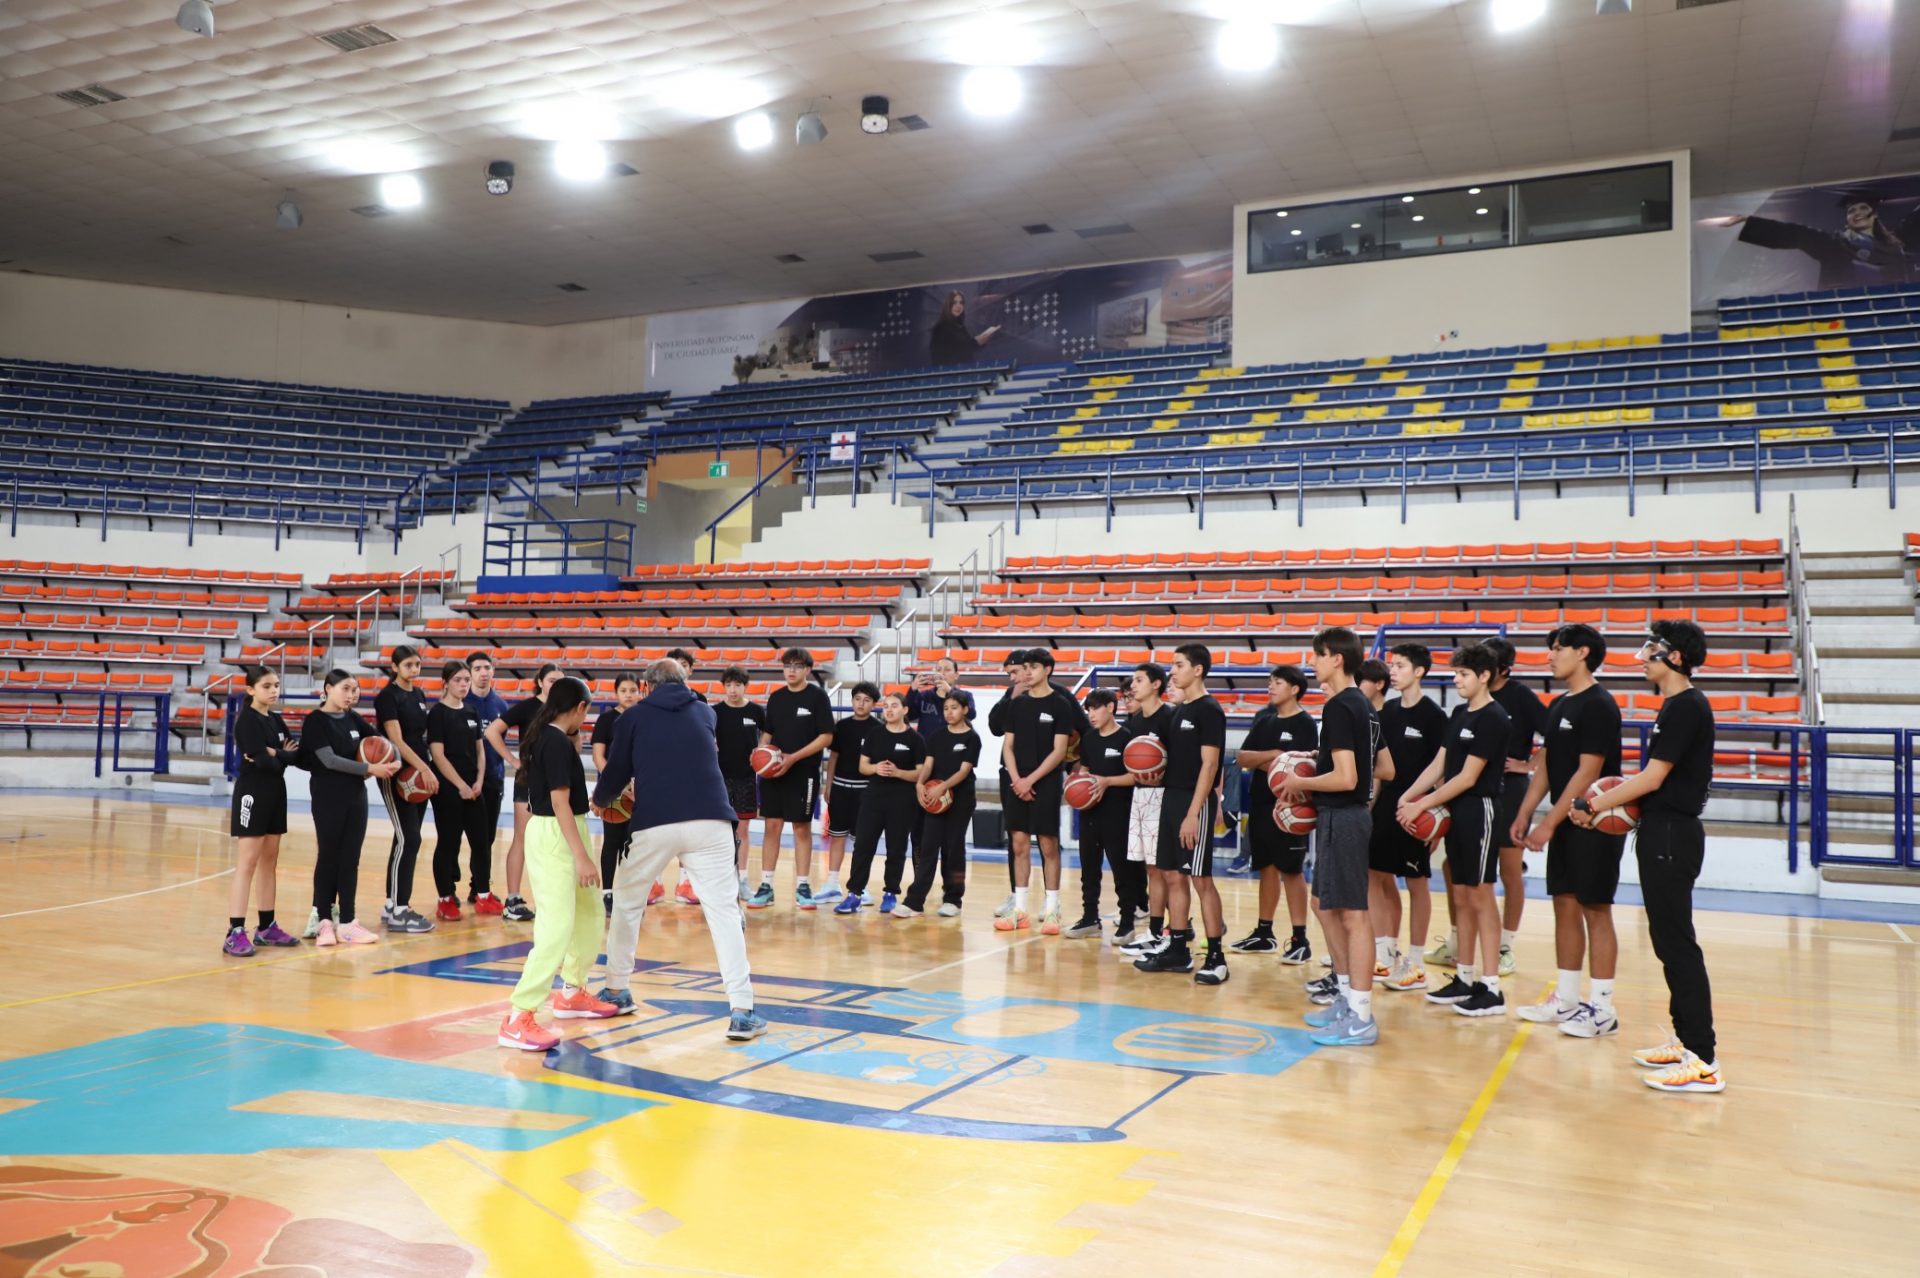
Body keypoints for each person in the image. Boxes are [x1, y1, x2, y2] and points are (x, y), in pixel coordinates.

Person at [1573, 620, 1724, 1095]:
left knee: (1677, 943)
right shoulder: (1675, 706)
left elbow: (1653, 778)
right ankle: (1687, 1042)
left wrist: (1593, 804)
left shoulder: (1687, 706)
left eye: (1652, 649)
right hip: (1663, 832)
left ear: (1675, 657)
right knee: (1667, 941)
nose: (1642, 658)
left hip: (1673, 835)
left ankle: (1704, 1060)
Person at [591, 660, 766, 1041]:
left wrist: (601, 800)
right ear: (685, 682)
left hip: (655, 820)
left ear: (646, 686)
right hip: (711, 821)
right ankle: (742, 1010)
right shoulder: (705, 712)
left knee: (627, 904)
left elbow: (616, 770)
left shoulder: (632, 717)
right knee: (724, 914)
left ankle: (617, 989)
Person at [1279, 627, 1391, 1047]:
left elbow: (1346, 778)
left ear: (1337, 659)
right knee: (1324, 906)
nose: (1313, 663)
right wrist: (1320, 758)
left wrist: (1302, 782)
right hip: (1344, 816)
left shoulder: (1341, 706)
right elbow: (1386, 768)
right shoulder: (1362, 705)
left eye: (1318, 655)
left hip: (1343, 817)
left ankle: (1360, 1016)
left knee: (1353, 915)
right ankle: (1347, 998)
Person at [1516, 624, 1626, 1038]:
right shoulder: (1559, 704)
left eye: (1558, 649)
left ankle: (1603, 1009)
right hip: (1565, 820)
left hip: (1594, 821)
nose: (1550, 656)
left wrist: (1548, 823)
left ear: (1582, 653)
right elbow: (1546, 765)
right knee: (1563, 904)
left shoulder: (1599, 705)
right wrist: (1525, 812)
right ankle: (1566, 999)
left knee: (1595, 909)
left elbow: (1588, 771)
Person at [498, 678, 619, 1050]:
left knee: (589, 914)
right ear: (580, 707)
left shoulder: (555, 738)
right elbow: (558, 802)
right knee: (556, 927)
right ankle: (518, 1016)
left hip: (569, 827)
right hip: (554, 834)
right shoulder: (552, 741)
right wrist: (582, 856)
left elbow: (569, 799)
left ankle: (571, 992)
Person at [1398, 643, 1512, 1020]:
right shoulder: (1461, 713)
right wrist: (1407, 797)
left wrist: (1421, 806)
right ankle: (1464, 978)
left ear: (1484, 676)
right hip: (1456, 810)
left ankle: (1491, 987)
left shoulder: (1494, 717)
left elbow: (1467, 777)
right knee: (1461, 895)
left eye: (1463, 674)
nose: (1456, 680)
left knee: (1481, 896)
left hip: (1480, 809)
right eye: (1455, 673)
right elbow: (1439, 764)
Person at [1134, 644, 1229, 984]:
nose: (1172, 671)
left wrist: (1193, 813)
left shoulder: (1209, 710)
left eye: (1178, 665)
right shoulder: (1177, 712)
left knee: (1201, 879)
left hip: (1193, 803)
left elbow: (1210, 765)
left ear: (1198, 669)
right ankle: (1177, 949)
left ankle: (1216, 957)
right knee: (1172, 875)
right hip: (1170, 798)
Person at [1370, 643, 1447, 992]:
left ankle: (1416, 964)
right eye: (1392, 665)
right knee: (1377, 877)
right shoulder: (1386, 711)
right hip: (1386, 806)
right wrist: (1370, 807)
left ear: (1419, 671)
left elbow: (1441, 772)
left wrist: (1438, 823)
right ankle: (1386, 955)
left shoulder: (1434, 716)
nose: (1393, 671)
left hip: (1418, 811)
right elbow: (1378, 766)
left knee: (1417, 883)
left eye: (1400, 665)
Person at [299, 668, 397, 946]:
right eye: (345, 688)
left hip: (356, 795)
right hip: (327, 795)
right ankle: (323, 923)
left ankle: (348, 923)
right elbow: (329, 760)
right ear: (328, 688)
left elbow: (382, 743)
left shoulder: (354, 718)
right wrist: (370, 768)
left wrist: (393, 759)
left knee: (350, 859)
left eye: (355, 690)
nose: (351, 694)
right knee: (328, 856)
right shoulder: (315, 721)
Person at [1229, 665, 1316, 959]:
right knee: (1265, 867)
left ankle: (1300, 939)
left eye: (1277, 682)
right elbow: (1243, 757)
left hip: (1291, 807)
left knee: (1292, 871)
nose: (1271, 686)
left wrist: (1270, 763)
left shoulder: (1305, 724)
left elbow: (1303, 768)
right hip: (1262, 804)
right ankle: (1264, 933)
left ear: (1294, 689)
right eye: (1270, 682)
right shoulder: (1264, 720)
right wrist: (1276, 756)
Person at [993, 650, 1072, 932]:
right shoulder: (1017, 704)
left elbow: (1059, 751)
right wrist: (1017, 779)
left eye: (1033, 667)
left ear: (1047, 670)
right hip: (1018, 780)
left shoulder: (1061, 704)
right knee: (1019, 844)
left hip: (1046, 781)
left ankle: (1052, 910)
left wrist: (1031, 780)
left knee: (1048, 845)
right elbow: (1008, 746)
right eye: (1025, 667)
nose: (1027, 672)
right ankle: (1020, 910)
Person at [1486, 636, 1548, 977]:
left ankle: (1505, 946)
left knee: (1510, 871)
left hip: (1511, 791)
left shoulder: (1520, 696)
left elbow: (1555, 735)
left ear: (1503, 668)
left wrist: (1528, 765)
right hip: (1477, 790)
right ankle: (1458, 940)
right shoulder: (1475, 695)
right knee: (1460, 869)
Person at [226, 667, 299, 956]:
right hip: (252, 792)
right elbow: (269, 762)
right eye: (266, 685)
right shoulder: (247, 721)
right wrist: (279, 755)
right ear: (251, 689)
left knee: (270, 861)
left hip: (275, 793)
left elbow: (296, 755)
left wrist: (273, 753)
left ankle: (266, 927)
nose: (273, 690)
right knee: (248, 863)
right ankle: (234, 931)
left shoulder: (276, 719)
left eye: (276, 685)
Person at [838, 692, 930, 915]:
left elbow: (921, 773)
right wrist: (875, 768)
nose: (889, 710)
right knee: (863, 846)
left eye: (894, 706)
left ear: (905, 710)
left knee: (896, 847)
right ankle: (854, 894)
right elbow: (863, 766)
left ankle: (890, 893)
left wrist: (898, 773)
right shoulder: (875, 734)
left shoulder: (915, 739)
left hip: (902, 799)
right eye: (886, 706)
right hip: (873, 797)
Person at [755, 648, 833, 910]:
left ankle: (803, 885)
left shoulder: (817, 697)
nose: (791, 670)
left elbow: (826, 737)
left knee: (801, 828)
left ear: (808, 670)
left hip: (803, 772)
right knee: (772, 826)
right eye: (787, 665)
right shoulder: (776, 698)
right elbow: (768, 733)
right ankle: (766, 886)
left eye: (798, 666)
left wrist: (793, 758)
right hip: (775, 771)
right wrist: (760, 753)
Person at [485, 662, 563, 923]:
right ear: (540, 682)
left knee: (553, 840)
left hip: (556, 781)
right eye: (552, 680)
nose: (556, 685)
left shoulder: (563, 708)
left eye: (560, 681)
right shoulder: (528, 707)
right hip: (529, 780)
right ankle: (513, 898)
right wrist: (512, 760)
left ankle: (550, 898)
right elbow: (492, 731)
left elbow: (573, 739)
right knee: (522, 838)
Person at [1063, 688, 1141, 941]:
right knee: (1089, 869)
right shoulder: (1089, 738)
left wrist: (1107, 781)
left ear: (1110, 707)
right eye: (1088, 710)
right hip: (1090, 812)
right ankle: (1090, 918)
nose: (1091, 714)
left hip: (1118, 811)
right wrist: (1075, 785)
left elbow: (1136, 776)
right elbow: (1085, 770)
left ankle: (1127, 922)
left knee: (1122, 870)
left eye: (1096, 708)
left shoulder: (1127, 737)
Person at [375, 646, 438, 933]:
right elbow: (397, 740)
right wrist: (424, 768)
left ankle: (391, 904)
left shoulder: (419, 694)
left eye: (417, 665)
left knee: (404, 839)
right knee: (410, 838)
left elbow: (419, 736)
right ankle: (401, 910)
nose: (414, 669)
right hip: (396, 771)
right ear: (394, 667)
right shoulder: (388, 697)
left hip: (418, 773)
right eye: (409, 665)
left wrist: (425, 768)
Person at [902, 690, 982, 918]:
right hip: (935, 800)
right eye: (946, 708)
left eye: (954, 708)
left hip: (961, 799)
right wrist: (920, 783)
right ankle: (914, 901)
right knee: (928, 847)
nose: (949, 712)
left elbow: (964, 771)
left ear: (965, 710)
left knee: (953, 848)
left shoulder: (972, 738)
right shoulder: (937, 736)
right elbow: (928, 765)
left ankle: (953, 899)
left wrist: (943, 786)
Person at [1117, 662, 1176, 955]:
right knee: (1151, 869)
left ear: (1156, 685)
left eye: (1139, 680)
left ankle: (1175, 929)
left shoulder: (1170, 717)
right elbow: (1134, 764)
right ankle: (1155, 930)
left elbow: (1180, 762)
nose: (1133, 686)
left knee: (1167, 870)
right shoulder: (1136, 721)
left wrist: (1161, 775)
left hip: (1165, 798)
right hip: (1140, 797)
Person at [426, 660, 489, 922]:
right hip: (448, 789)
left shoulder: (472, 711)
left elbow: (480, 750)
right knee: (449, 843)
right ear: (446, 683)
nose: (463, 684)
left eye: (466, 680)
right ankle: (445, 899)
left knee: (482, 842)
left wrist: (479, 781)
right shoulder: (437, 714)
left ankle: (483, 895)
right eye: (458, 680)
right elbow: (438, 755)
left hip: (474, 787)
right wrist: (460, 785)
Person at [817, 682, 879, 905]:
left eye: (866, 700)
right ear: (852, 701)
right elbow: (833, 757)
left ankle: (859, 886)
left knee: (861, 842)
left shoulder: (878, 729)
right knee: (837, 837)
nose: (861, 704)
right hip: (841, 788)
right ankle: (832, 884)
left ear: (874, 704)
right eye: (857, 699)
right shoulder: (841, 726)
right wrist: (828, 786)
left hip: (865, 791)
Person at [590, 675, 643, 915]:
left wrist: (638, 783)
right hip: (613, 790)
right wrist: (617, 782)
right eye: (623, 690)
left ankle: (629, 893)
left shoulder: (644, 717)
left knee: (634, 844)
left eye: (633, 690)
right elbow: (598, 756)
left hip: (639, 789)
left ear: (640, 691)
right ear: (616, 693)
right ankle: (608, 893)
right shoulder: (606, 719)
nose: (629, 695)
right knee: (612, 841)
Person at [714, 667, 765, 904]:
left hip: (746, 778)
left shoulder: (756, 711)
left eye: (737, 685)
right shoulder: (715, 712)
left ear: (746, 686)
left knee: (742, 831)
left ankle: (742, 880)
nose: (733, 690)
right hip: (719, 779)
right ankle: (723, 880)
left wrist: (761, 750)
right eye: (729, 685)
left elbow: (768, 735)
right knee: (720, 831)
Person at [464, 651, 508, 914]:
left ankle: (478, 886)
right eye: (477, 668)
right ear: (469, 673)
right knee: (455, 838)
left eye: (487, 667)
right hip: (463, 782)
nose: (483, 672)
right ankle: (447, 890)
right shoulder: (461, 702)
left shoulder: (500, 705)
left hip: (493, 780)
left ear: (493, 671)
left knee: (487, 838)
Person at [906, 656, 974, 740]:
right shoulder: (924, 696)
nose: (942, 673)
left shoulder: (966, 695)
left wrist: (950, 691)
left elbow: (971, 714)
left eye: (947, 670)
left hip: (954, 744)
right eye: (939, 670)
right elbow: (908, 716)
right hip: (927, 746)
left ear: (956, 675)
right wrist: (912, 690)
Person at [927, 289, 1001, 366]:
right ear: (948, 305)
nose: (958, 306)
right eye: (954, 303)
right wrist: (976, 342)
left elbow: (965, 347)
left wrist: (982, 340)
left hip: (965, 368)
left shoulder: (959, 325)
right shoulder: (941, 328)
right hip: (951, 370)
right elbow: (951, 352)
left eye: (961, 303)